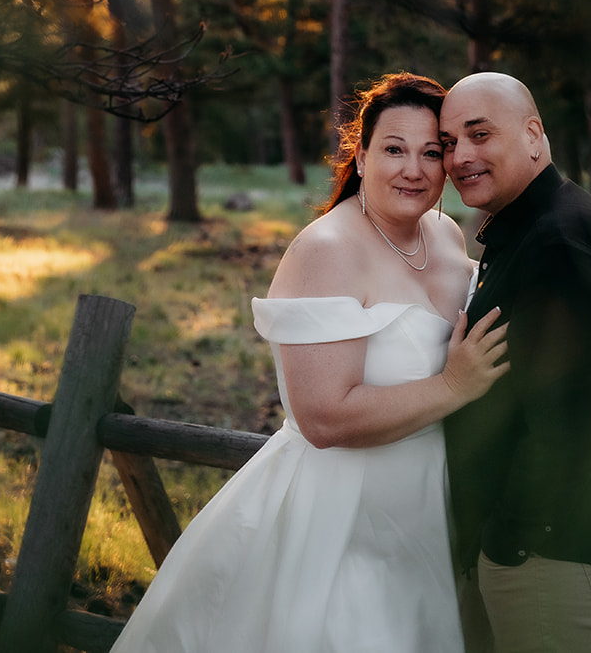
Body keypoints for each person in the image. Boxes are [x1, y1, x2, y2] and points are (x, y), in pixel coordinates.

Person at [110, 72, 509, 653]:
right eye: (394, 149)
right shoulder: (327, 250)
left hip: (428, 509)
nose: (414, 170)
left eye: (432, 153)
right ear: (361, 152)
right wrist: (454, 385)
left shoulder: (445, 235)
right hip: (341, 516)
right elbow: (323, 418)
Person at [438, 72, 591, 653]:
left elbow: (567, 428)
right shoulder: (537, 225)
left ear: (533, 135)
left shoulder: (556, 242)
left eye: (479, 135)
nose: (460, 157)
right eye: (450, 142)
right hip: (534, 552)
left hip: (549, 557)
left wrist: (510, 541)